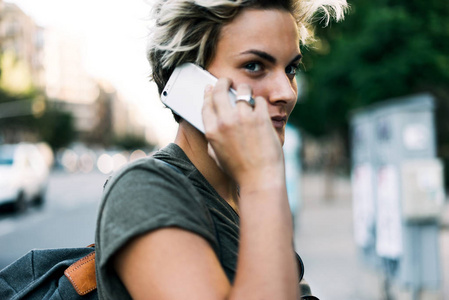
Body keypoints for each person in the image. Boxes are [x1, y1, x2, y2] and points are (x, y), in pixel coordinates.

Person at [95, 0, 347, 299]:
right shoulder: (142, 190)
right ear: (187, 80)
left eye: (291, 68)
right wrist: (261, 182)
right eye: (254, 66)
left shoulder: (240, 194)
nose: (286, 93)